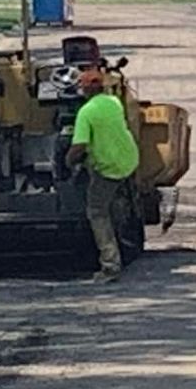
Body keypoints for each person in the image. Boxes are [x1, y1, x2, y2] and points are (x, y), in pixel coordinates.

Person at [65, 64, 140, 283]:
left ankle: (110, 265)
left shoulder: (86, 113)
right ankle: (123, 238)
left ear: (84, 90)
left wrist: (68, 163)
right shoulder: (114, 103)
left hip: (109, 168)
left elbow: (79, 146)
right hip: (128, 160)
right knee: (114, 204)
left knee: (97, 211)